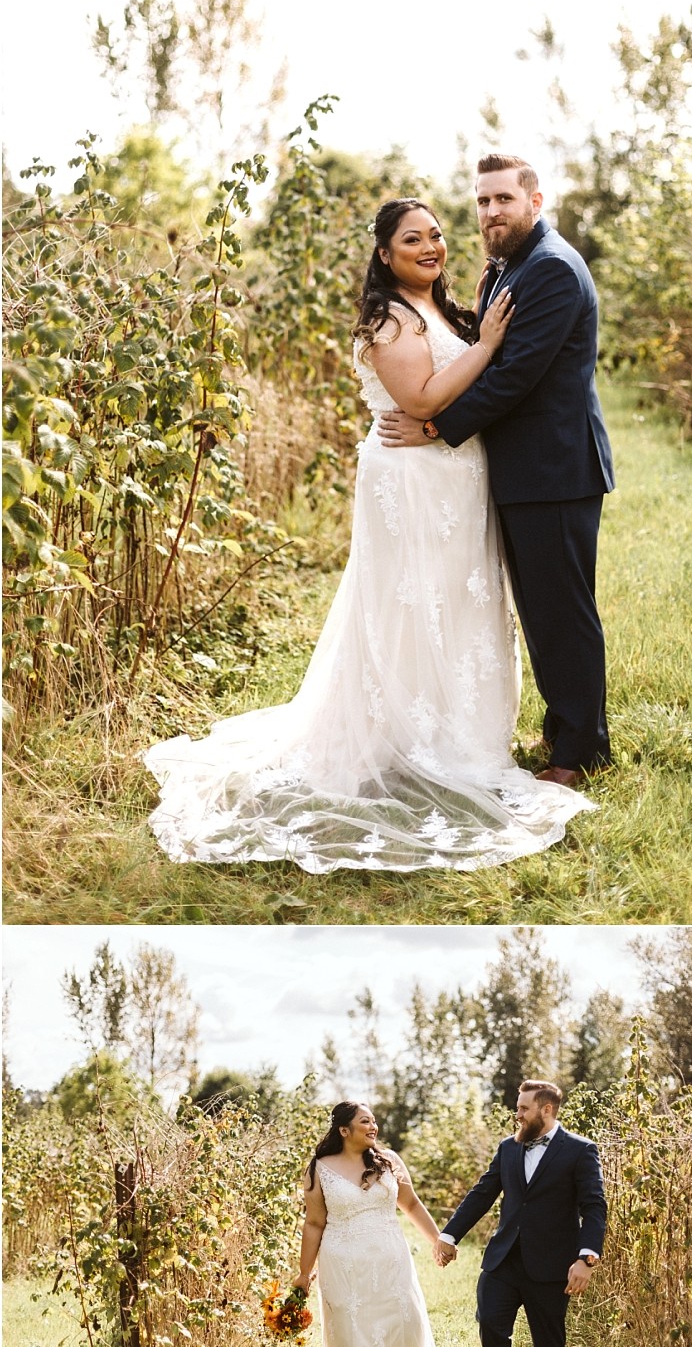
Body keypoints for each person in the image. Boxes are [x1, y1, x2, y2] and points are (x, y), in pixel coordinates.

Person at [144, 197, 594, 871]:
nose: (431, 246)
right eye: (413, 239)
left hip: (455, 477)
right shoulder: (388, 318)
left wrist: (478, 335)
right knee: (409, 601)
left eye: (438, 235)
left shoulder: (445, 306)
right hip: (410, 478)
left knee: (459, 598)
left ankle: (461, 733)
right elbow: (420, 400)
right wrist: (491, 346)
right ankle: (404, 736)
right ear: (385, 254)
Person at [379, 156, 615, 787]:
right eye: (482, 201)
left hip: (554, 470)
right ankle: (564, 730)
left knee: (562, 613)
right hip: (523, 471)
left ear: (535, 200)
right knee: (541, 611)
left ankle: (579, 752)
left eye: (503, 199)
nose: (490, 212)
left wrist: (432, 427)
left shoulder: (554, 272)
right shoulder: (512, 266)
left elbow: (513, 377)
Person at [434, 1080, 606, 1347]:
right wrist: (449, 1234)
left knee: (548, 1343)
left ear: (546, 1110)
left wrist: (585, 1258)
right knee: (491, 1325)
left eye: (524, 1108)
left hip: (551, 1265)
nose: (518, 1114)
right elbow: (482, 1193)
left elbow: (594, 1206)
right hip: (503, 1261)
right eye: (518, 1107)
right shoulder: (508, 1148)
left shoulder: (580, 1150)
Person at [292, 1101, 444, 1347]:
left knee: (404, 1321)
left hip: (391, 1259)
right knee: (356, 1330)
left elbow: (412, 1205)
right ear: (344, 1130)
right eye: (365, 1122)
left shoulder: (389, 1162)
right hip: (344, 1264)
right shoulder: (319, 1168)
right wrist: (304, 1273)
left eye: (374, 1121)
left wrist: (438, 1240)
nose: (373, 1127)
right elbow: (314, 1223)